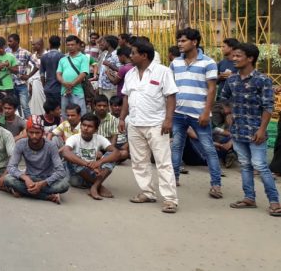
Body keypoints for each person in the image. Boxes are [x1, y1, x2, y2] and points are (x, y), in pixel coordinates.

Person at [218, 43, 280, 216]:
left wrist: (262, 130)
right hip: (238, 131)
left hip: (255, 132)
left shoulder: (263, 80)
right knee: (245, 165)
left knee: (260, 165)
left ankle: (275, 202)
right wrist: (228, 113)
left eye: (238, 56)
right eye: (234, 56)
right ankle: (249, 198)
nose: (234, 59)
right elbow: (223, 97)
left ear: (250, 58)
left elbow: (268, 107)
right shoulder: (232, 79)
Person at [119, 39, 179, 213]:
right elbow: (125, 97)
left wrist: (168, 120)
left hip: (156, 124)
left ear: (144, 55)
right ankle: (147, 192)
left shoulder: (163, 72)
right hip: (135, 123)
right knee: (138, 161)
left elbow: (171, 97)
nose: (130, 56)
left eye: (133, 53)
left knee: (163, 162)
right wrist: (122, 118)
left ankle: (170, 199)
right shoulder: (130, 74)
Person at [170, 28, 222, 197]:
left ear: (194, 42)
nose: (179, 44)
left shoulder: (208, 62)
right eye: (178, 40)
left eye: (183, 40)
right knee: (176, 147)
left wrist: (207, 112)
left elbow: (212, 89)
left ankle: (216, 185)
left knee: (208, 149)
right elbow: (170, 89)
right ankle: (174, 178)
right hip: (178, 113)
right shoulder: (175, 63)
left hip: (199, 114)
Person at [4, 121, 69, 204]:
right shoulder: (20, 144)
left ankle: (25, 192)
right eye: (31, 132)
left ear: (43, 133)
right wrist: (26, 178)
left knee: (64, 185)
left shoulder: (51, 146)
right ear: (26, 132)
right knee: (8, 179)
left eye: (37, 133)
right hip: (29, 177)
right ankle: (46, 196)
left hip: (47, 179)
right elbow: (11, 167)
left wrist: (42, 184)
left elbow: (61, 171)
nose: (34, 136)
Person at [61, 112, 123, 200]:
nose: (86, 128)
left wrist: (99, 162)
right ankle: (99, 186)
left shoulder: (99, 138)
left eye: (90, 126)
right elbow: (65, 152)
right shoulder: (74, 138)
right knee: (72, 156)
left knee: (112, 155)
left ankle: (94, 187)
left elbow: (117, 153)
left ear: (96, 129)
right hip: (76, 178)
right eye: (83, 125)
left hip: (92, 174)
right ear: (80, 126)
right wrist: (87, 164)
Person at [56, 35, 89, 116]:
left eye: (72, 45)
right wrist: (64, 83)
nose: (70, 47)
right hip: (64, 92)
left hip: (77, 92)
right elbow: (58, 74)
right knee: (65, 116)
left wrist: (71, 85)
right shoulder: (63, 59)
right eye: (68, 45)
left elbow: (83, 73)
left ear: (78, 45)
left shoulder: (83, 58)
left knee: (80, 115)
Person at [6, 33, 36, 119]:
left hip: (21, 84)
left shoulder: (25, 52)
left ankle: (30, 124)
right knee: (13, 106)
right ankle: (18, 123)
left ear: (17, 42)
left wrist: (28, 76)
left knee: (24, 105)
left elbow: (38, 64)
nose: (9, 43)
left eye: (10, 41)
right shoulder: (6, 52)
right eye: (8, 41)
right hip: (9, 84)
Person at [94, 95, 128, 160]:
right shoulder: (90, 118)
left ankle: (106, 158)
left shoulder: (113, 119)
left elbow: (114, 137)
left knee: (124, 153)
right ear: (94, 106)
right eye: (99, 105)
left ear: (108, 107)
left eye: (104, 106)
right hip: (95, 147)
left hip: (109, 147)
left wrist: (110, 151)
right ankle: (108, 159)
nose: (102, 108)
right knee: (97, 154)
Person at [40, 36, 64, 105]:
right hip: (59, 88)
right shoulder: (62, 57)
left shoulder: (44, 57)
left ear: (49, 44)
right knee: (59, 109)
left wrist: (44, 86)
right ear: (59, 45)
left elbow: (42, 74)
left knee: (50, 108)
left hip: (48, 88)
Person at [28, 38, 46, 115]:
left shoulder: (47, 55)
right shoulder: (33, 56)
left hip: (43, 82)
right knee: (34, 101)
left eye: (33, 44)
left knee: (43, 101)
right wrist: (29, 82)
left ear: (39, 45)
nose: (32, 46)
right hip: (33, 81)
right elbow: (30, 69)